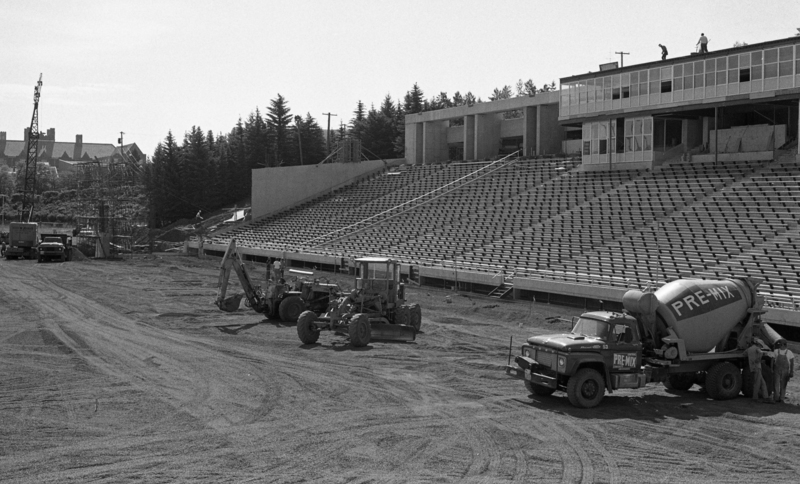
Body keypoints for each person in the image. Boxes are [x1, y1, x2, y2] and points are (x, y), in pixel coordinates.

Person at [773, 339, 794, 403]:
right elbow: (772, 359)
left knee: (783, 385)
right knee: (776, 384)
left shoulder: (789, 352)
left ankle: (781, 398)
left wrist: (791, 371)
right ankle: (776, 398)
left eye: (780, 344)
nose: (779, 346)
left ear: (784, 345)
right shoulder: (776, 351)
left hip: (785, 371)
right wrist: (772, 368)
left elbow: (792, 362)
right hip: (777, 369)